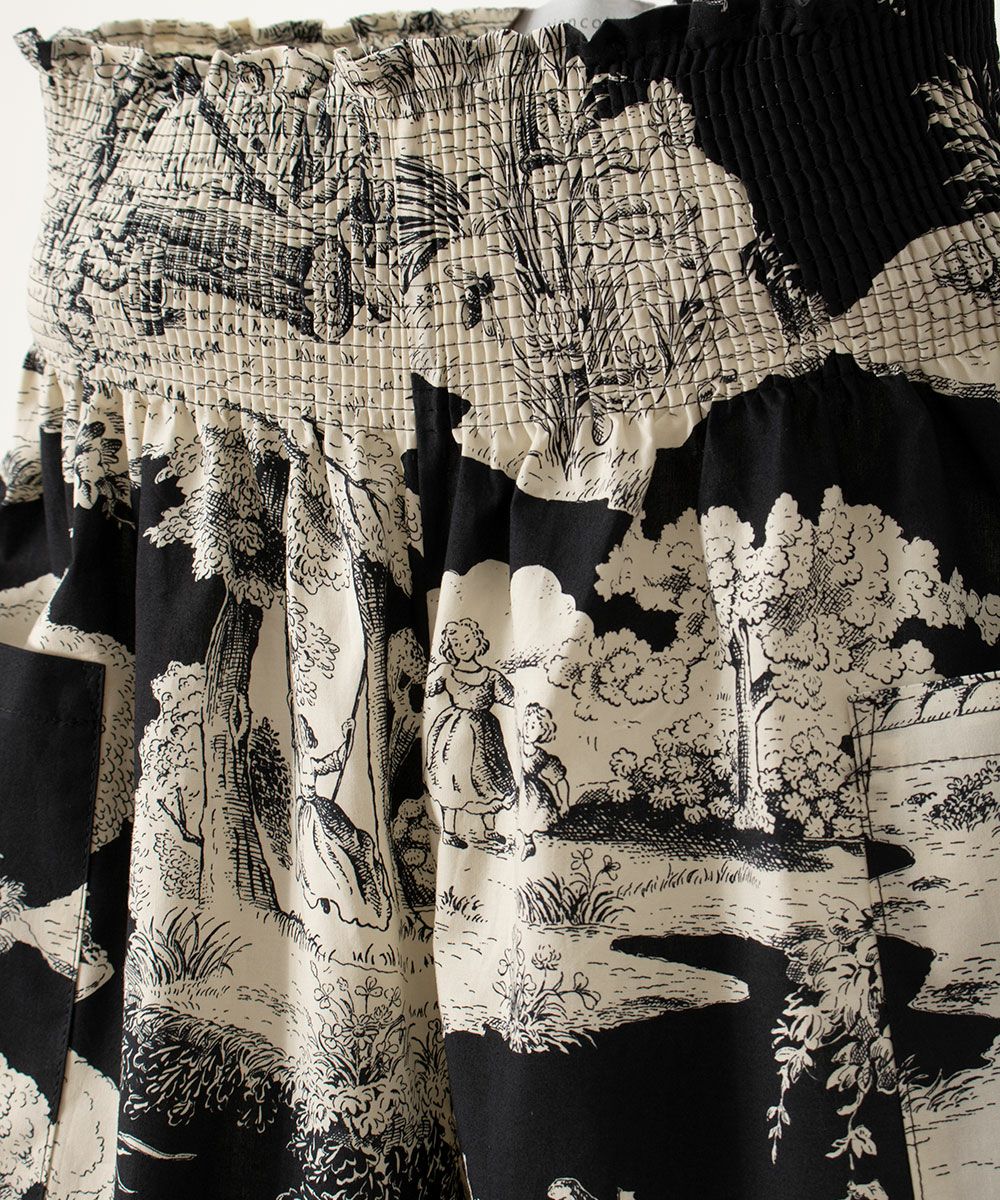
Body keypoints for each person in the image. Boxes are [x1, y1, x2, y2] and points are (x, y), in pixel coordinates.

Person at [425, 617, 518, 849]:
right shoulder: (447, 673)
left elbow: (510, 697)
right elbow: (429, 690)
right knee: (452, 781)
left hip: (485, 732)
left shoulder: (491, 676)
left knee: (487, 779)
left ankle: (490, 829)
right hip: (453, 732)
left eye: (467, 640)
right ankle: (449, 831)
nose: (463, 646)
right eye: (457, 643)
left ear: (478, 642)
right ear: (450, 648)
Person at [512, 702, 570, 860]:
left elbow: (558, 779)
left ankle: (533, 848)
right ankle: (527, 844)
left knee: (531, 818)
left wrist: (564, 802)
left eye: (533, 726)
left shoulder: (540, 756)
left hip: (534, 794)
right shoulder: (516, 743)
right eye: (526, 724)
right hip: (521, 788)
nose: (527, 729)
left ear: (542, 731)